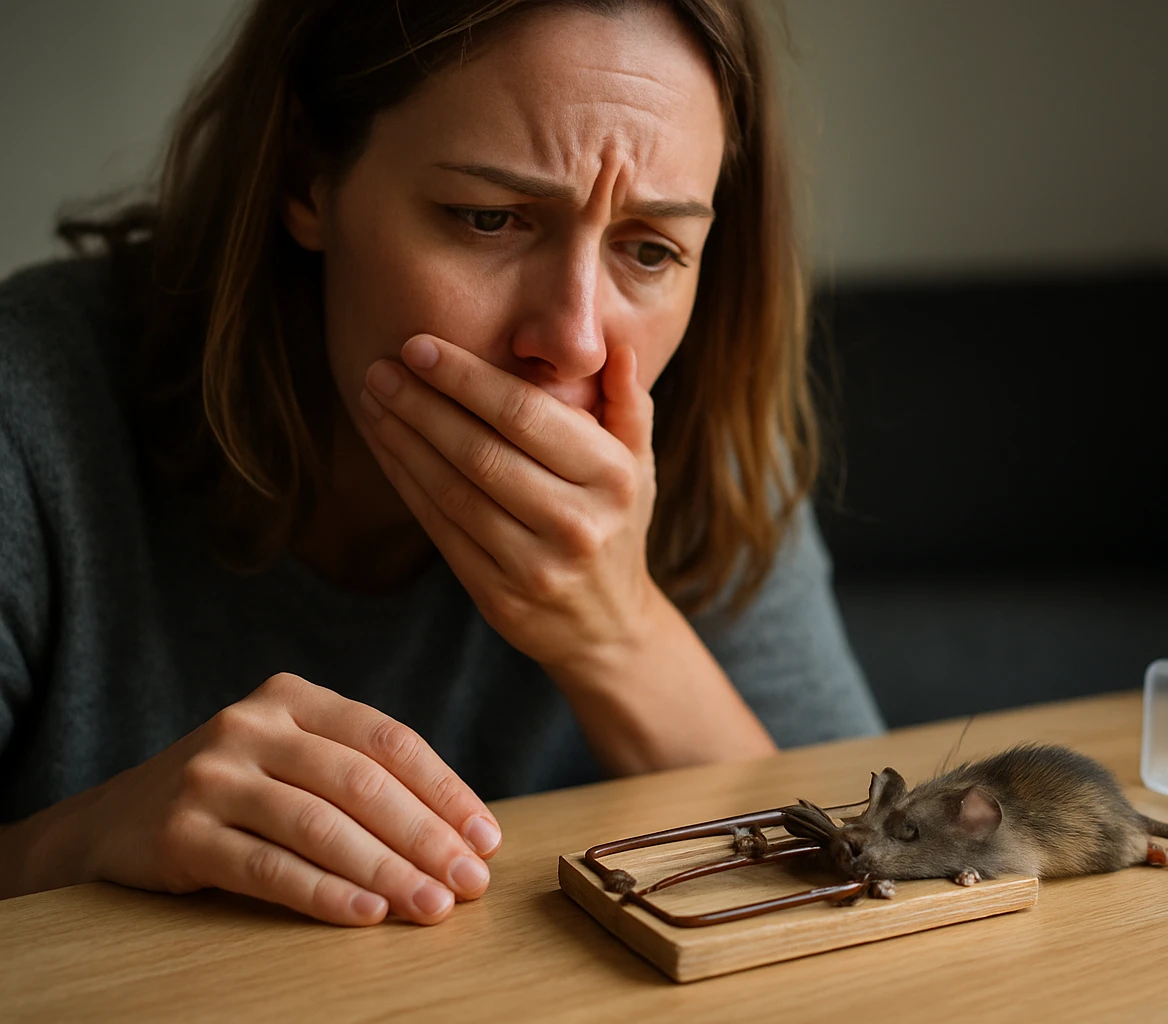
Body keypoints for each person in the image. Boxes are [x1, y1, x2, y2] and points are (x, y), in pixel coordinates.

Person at [0, 0, 882, 927]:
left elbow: (888, 883)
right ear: (307, 177)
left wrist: (618, 633)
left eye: (650, 250)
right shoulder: (35, 403)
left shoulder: (699, 426)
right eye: (489, 219)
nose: (575, 342)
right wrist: (77, 843)